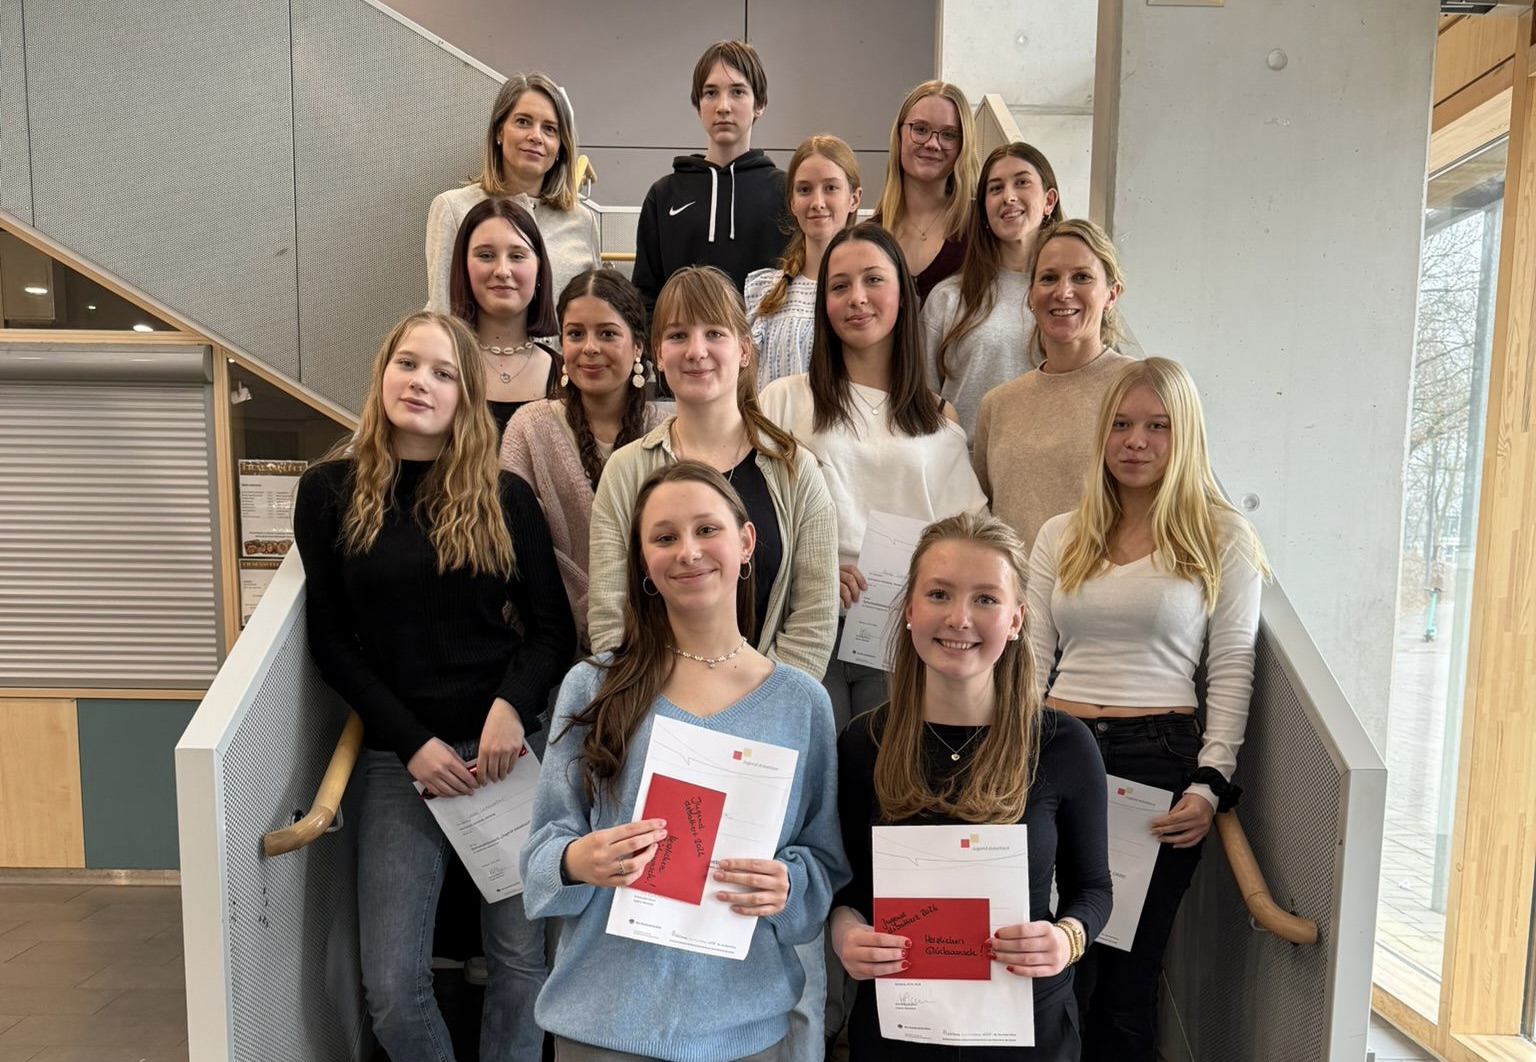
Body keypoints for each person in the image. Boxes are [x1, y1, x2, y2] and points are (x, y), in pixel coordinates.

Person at [293, 310, 575, 1062]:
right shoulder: (328, 492)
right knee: (390, 985)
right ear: (383, 374)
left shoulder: (505, 496)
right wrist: (412, 742)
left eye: (444, 373)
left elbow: (552, 632)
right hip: (402, 763)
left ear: (465, 395)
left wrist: (511, 709)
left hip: (506, 757)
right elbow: (332, 642)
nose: (421, 382)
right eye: (408, 364)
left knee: (519, 960)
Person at [522, 460, 849, 1062]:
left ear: (746, 541)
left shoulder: (802, 704)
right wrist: (578, 860)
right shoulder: (593, 687)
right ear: (644, 562)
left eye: (707, 529)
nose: (688, 551)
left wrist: (789, 884)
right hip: (602, 1021)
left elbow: (822, 865)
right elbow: (541, 857)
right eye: (665, 537)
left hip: (743, 1030)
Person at [1027, 357, 1267, 1062]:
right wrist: (1014, 757)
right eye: (1123, 424)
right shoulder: (1060, 533)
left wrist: (1210, 783)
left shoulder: (1223, 536)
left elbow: (1232, 664)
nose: (1136, 441)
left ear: (1184, 435)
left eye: (1158, 426)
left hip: (1156, 766)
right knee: (1050, 963)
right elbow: (1032, 660)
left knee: (1126, 979)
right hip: (1057, 751)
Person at [831, 512, 1112, 1061]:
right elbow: (847, 888)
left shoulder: (1063, 744)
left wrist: (1067, 938)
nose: (959, 618)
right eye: (939, 594)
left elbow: (1094, 888)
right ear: (909, 610)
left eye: (986, 599)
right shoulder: (864, 743)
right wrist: (844, 932)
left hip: (1027, 1029)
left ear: (1016, 619)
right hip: (899, 1031)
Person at [760, 222, 984, 730]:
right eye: (839, 286)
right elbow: (753, 518)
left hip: (900, 633)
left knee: (885, 769)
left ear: (902, 292)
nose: (857, 298)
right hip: (806, 621)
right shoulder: (784, 400)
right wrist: (812, 569)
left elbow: (966, 535)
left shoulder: (938, 417)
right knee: (814, 767)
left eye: (873, 280)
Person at [588, 265, 839, 682]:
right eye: (678, 335)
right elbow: (610, 615)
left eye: (714, 333)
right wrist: (669, 698)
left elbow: (814, 615)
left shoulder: (796, 468)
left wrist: (762, 698)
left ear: (744, 350)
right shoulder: (625, 471)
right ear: (658, 354)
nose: (696, 350)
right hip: (655, 698)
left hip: (769, 701)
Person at [500, 269, 665, 649]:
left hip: (653, 641)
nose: (590, 347)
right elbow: (509, 547)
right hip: (546, 641)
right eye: (575, 334)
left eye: (607, 334)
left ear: (638, 346)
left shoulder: (666, 433)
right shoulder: (530, 428)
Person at [972, 218, 1136, 553]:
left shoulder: (1140, 389)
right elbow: (983, 524)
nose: (1063, 292)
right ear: (1031, 295)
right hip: (1016, 586)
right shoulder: (998, 405)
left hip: (1104, 585)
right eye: (1048, 278)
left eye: (1082, 277)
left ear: (1112, 294)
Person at [631, 40, 789, 315]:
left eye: (738, 92)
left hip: (766, 343)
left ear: (760, 103)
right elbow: (645, 299)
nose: (723, 106)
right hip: (682, 343)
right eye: (711, 93)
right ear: (698, 105)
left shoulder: (786, 191)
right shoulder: (664, 195)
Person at [921, 142, 1063, 442]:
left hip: (1051, 463)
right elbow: (922, 401)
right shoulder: (948, 298)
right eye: (996, 188)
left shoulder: (1073, 297)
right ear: (984, 210)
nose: (1008, 196)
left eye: (1021, 182)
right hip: (964, 466)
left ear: (1049, 200)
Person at [426, 72, 599, 313]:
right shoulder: (454, 208)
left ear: (561, 145)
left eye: (550, 129)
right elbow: (442, 313)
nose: (535, 136)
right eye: (523, 122)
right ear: (499, 131)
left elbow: (592, 312)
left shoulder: (582, 220)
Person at [745, 134, 863, 390]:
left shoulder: (868, 294)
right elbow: (748, 389)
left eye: (830, 188)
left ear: (854, 199)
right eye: (805, 190)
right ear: (792, 203)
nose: (817, 203)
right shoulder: (764, 291)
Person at [448, 197, 562, 436]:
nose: (502, 271)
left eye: (517, 256)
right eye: (486, 255)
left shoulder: (566, 375)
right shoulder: (439, 365)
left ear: (540, 268)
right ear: (463, 267)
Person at [872, 80, 980, 302]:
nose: (933, 143)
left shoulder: (981, 227)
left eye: (949, 134)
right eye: (921, 129)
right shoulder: (871, 236)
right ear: (899, 135)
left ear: (963, 145)